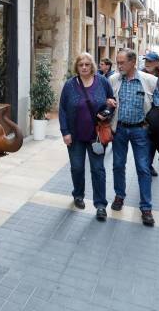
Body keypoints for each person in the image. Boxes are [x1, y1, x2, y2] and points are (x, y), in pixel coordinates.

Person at [59, 53, 117, 221]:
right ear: (77, 67)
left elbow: (111, 102)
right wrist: (65, 132)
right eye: (80, 65)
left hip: (96, 136)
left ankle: (100, 205)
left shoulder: (103, 82)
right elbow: (62, 109)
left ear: (92, 66)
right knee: (77, 167)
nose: (84, 67)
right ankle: (78, 194)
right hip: (75, 137)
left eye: (87, 64)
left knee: (98, 170)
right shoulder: (70, 85)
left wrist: (106, 113)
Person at [108, 49, 159, 226]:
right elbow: (107, 100)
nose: (119, 66)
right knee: (117, 165)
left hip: (140, 131)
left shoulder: (150, 81)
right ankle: (119, 196)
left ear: (132, 63)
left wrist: (151, 125)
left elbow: (158, 105)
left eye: (122, 63)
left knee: (143, 168)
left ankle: (146, 208)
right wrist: (108, 103)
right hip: (120, 130)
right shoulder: (114, 80)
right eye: (118, 63)